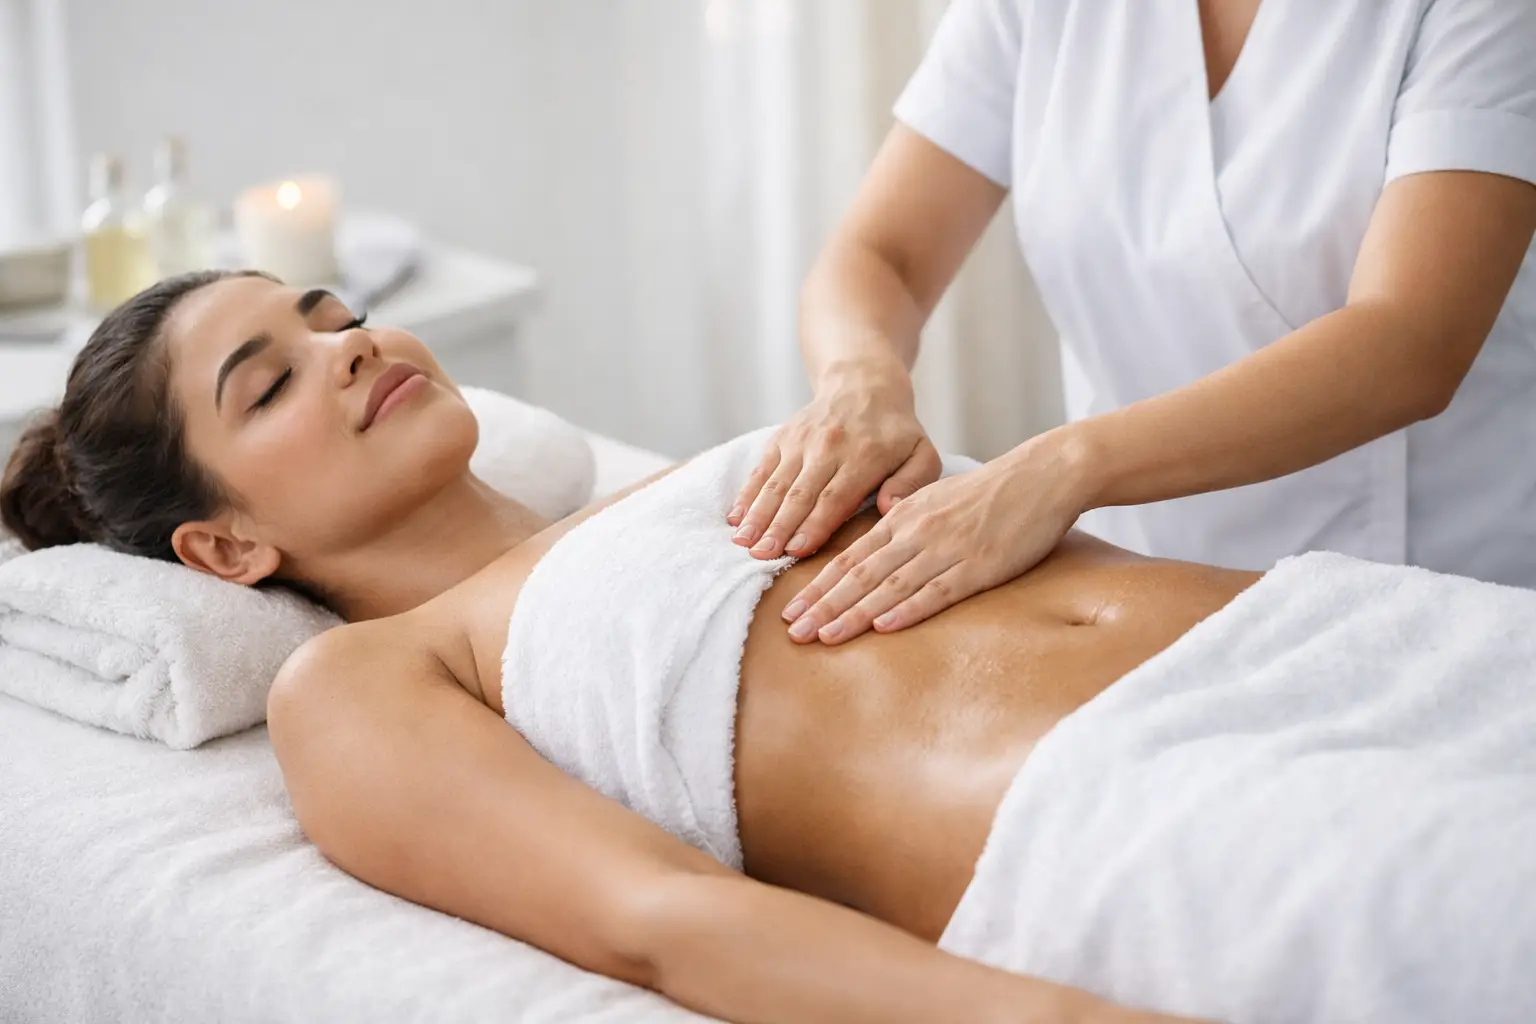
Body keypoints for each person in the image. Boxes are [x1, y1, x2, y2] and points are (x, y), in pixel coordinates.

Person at [3, 271, 1531, 1023]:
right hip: (1184, 820)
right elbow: (657, 922)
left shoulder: (674, 477)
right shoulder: (370, 680)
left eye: (330, 311)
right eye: (270, 383)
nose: (347, 343)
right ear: (223, 549)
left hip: (1349, 637)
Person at [726, 0, 1536, 650]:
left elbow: (1409, 343)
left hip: (1439, 602)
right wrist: (859, 383)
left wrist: (1059, 469)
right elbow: (882, 254)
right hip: (1139, 585)